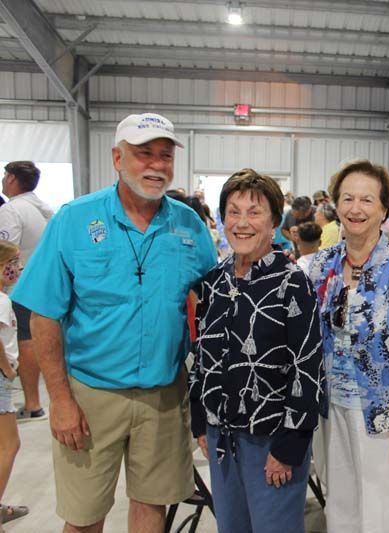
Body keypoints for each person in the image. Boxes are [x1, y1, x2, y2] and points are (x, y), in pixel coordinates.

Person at [10, 113, 217, 532]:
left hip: (163, 394)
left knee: (152, 504)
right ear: (117, 157)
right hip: (90, 395)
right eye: (145, 154)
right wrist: (60, 400)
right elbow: (44, 315)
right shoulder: (74, 220)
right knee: (85, 515)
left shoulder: (188, 225)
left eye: (165, 156)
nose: (157, 165)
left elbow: (214, 301)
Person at [189, 170, 323, 533]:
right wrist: (200, 418)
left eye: (254, 212)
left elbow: (308, 368)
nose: (242, 223)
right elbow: (204, 355)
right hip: (222, 438)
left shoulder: (291, 282)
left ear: (275, 221)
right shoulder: (214, 282)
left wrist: (290, 445)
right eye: (233, 212)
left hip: (273, 440)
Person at [307, 159, 389, 533]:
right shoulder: (322, 264)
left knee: (380, 507)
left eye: (366, 200)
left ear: (384, 209)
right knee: (340, 501)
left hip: (383, 408)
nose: (355, 209)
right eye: (347, 199)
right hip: (333, 406)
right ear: (335, 204)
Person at [0, 161, 53, 421]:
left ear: (11, 179)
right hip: (42, 284)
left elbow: (6, 251)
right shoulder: (42, 208)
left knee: (25, 339)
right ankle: (34, 400)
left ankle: (32, 402)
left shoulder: (12, 210)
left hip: (21, 287)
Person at [0, 241, 28, 530]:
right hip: (0, 378)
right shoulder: (2, 301)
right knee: (10, 445)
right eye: (13, 262)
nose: (18, 268)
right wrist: (7, 369)